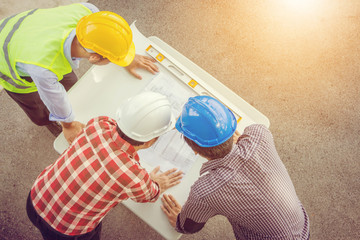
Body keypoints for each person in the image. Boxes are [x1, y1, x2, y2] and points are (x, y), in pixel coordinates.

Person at [26, 92, 183, 240]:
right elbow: (151, 195)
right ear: (149, 142)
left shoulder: (99, 123)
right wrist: (156, 183)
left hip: (35, 199)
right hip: (66, 230)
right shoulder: (134, 175)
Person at [0, 3, 158, 143]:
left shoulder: (88, 11)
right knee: (38, 108)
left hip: (22, 29)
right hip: (6, 58)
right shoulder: (43, 69)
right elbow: (53, 96)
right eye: (111, 59)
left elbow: (108, 35)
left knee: (71, 88)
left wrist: (125, 56)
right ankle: (47, 120)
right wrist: (67, 125)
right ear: (95, 58)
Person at [161, 96, 310, 240]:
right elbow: (250, 135)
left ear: (195, 150)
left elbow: (190, 227)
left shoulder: (205, 192)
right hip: (302, 229)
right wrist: (242, 140)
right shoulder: (259, 134)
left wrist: (180, 223)